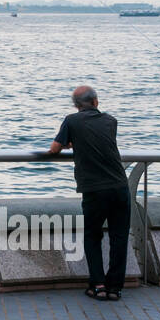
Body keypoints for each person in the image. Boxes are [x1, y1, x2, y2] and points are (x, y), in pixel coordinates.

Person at [47, 85, 131, 301]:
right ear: (96, 102)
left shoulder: (72, 121)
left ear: (76, 106)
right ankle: (115, 288)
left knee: (93, 236)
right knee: (119, 237)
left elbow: (55, 148)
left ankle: (98, 285)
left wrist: (68, 143)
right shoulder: (111, 121)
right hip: (120, 186)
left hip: (94, 189)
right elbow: (98, 139)